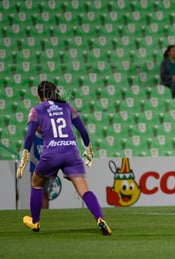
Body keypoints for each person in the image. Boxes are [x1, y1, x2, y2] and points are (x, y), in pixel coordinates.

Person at [16, 81, 112, 235]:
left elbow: (29, 135)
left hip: (52, 153)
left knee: (36, 183)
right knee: (84, 190)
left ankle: (35, 222)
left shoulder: (36, 110)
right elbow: (83, 131)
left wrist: (24, 157)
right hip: (71, 152)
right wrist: (88, 150)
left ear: (39, 96)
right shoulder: (67, 106)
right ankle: (100, 219)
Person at [29, 129, 49, 209]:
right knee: (36, 192)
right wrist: (41, 165)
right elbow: (32, 156)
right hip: (35, 170)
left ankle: (45, 213)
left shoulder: (48, 138)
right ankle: (36, 213)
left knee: (44, 192)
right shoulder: (32, 138)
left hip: (47, 171)